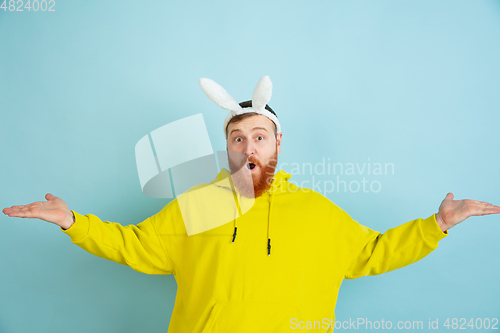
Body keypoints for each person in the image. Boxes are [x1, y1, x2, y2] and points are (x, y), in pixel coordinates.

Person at [3, 76, 500, 333]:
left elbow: (371, 251)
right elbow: (134, 245)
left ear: (278, 142)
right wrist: (73, 221)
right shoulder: (197, 205)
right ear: (228, 148)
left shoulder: (316, 212)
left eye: (258, 136)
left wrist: (437, 225)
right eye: (237, 138)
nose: (248, 147)